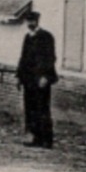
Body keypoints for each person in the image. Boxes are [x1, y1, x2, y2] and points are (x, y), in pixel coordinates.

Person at [17, 10, 58, 148]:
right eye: (28, 21)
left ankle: (47, 139)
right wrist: (19, 76)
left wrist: (45, 76)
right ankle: (36, 137)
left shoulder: (46, 37)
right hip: (28, 79)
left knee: (42, 108)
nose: (30, 24)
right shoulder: (27, 37)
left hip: (41, 79)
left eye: (32, 21)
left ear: (37, 21)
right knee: (31, 109)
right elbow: (23, 58)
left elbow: (50, 58)